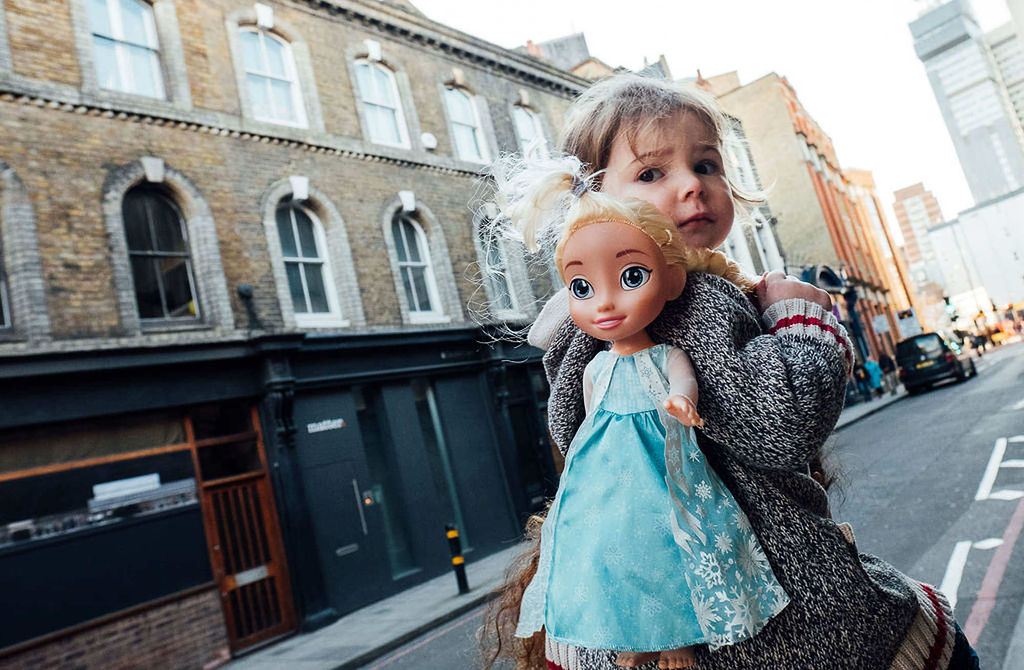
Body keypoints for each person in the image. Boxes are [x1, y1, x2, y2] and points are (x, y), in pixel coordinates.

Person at [480, 73, 977, 670]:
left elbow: (569, 433)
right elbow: (782, 425)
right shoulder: (695, 298)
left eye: (707, 164)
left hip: (627, 614)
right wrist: (799, 319)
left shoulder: (581, 322)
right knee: (939, 648)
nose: (693, 184)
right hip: (770, 625)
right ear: (596, 199)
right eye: (651, 173)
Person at [489, 155, 788, 668]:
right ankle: (624, 634)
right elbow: (581, 426)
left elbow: (683, 380)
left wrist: (683, 401)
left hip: (663, 470)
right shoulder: (592, 368)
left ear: (671, 280)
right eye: (581, 287)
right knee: (609, 556)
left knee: (670, 555)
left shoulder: (667, 351)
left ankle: (673, 638)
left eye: (630, 275)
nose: (603, 303)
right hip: (604, 482)